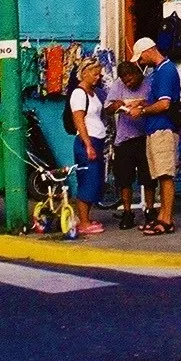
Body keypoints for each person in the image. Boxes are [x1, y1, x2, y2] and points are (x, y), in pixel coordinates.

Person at [124, 35, 181, 235]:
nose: (141, 63)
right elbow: (157, 100)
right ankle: (161, 216)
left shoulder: (166, 71)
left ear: (149, 51)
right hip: (155, 128)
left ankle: (167, 220)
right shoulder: (158, 72)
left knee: (166, 175)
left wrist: (142, 111)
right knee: (159, 174)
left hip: (163, 128)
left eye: (141, 58)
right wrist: (141, 103)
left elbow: (165, 103)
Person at [105, 60, 151, 229]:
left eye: (131, 79)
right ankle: (127, 212)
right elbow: (108, 108)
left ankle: (149, 211)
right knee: (125, 178)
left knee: (148, 177)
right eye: (125, 81)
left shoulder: (149, 83)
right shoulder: (118, 86)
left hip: (146, 136)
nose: (128, 83)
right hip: (124, 138)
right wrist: (116, 105)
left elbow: (155, 104)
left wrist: (141, 104)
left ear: (138, 74)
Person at [66, 60, 108, 235]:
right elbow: (79, 120)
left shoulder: (94, 93)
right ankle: (83, 222)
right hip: (86, 142)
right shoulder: (78, 93)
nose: (98, 77)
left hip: (97, 140)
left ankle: (87, 217)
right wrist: (88, 145)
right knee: (87, 182)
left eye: (99, 74)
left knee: (95, 181)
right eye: (94, 74)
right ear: (84, 73)